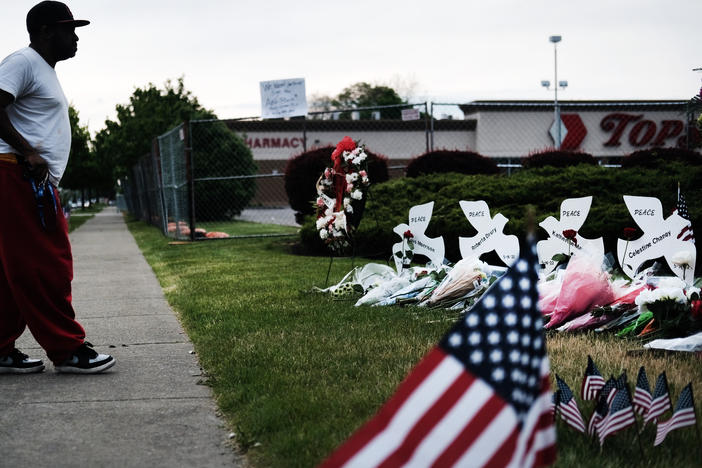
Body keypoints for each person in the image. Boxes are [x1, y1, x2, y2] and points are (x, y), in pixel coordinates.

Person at [0, 1, 115, 374]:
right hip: (15, 173)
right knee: (47, 265)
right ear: (46, 31)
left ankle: (0, 349)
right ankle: (67, 350)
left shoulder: (43, 70)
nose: (76, 36)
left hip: (25, 177)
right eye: (69, 29)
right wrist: (28, 150)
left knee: (11, 270)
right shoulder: (22, 62)